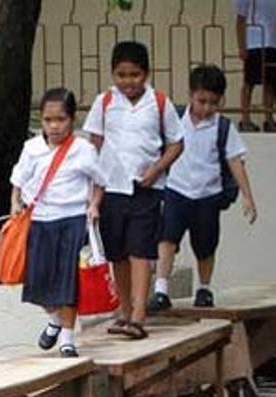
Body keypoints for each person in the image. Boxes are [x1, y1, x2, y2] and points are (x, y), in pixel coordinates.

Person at [82, 40, 183, 341]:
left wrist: (156, 170)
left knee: (141, 249)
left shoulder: (160, 103)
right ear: (113, 74)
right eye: (122, 75)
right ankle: (125, 311)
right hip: (111, 186)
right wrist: (90, 187)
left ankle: (139, 313)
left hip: (145, 188)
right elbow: (94, 143)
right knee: (118, 252)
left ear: (147, 74)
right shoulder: (104, 103)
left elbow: (177, 142)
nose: (128, 81)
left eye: (135, 75)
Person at [148, 65, 258, 312]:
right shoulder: (174, 119)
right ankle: (161, 289)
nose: (206, 108)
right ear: (191, 95)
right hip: (176, 189)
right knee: (166, 239)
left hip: (207, 195)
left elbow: (235, 161)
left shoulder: (223, 128)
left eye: (213, 102)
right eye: (201, 101)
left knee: (206, 246)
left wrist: (247, 197)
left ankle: (204, 289)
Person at [11, 87, 106, 358]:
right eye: (48, 120)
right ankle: (54, 320)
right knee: (38, 282)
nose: (54, 126)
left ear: (72, 119)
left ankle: (67, 338)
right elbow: (17, 180)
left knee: (68, 283)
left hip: (72, 220)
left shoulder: (83, 150)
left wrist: (94, 205)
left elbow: (100, 181)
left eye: (60, 119)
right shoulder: (32, 149)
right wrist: (15, 204)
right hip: (40, 220)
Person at [236, 0, 276, 133]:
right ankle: (245, 119)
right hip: (254, 43)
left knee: (270, 83)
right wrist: (242, 46)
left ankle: (269, 119)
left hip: (273, 43)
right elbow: (241, 19)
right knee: (249, 83)